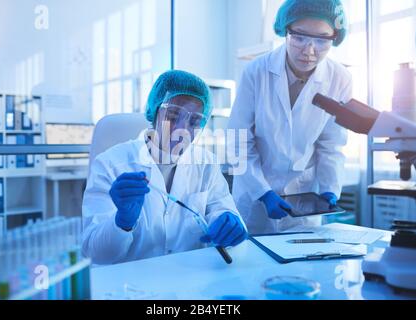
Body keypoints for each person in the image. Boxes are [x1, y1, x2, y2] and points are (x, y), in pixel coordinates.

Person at [82, 70, 248, 264]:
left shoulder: (206, 164)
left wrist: (229, 225)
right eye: (173, 115)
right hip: (131, 287)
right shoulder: (110, 164)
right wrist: (122, 222)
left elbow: (225, 213)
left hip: (191, 282)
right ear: (154, 113)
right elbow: (95, 254)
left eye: (194, 121)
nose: (181, 129)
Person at [228, 0, 352, 234]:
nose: (309, 50)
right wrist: (263, 192)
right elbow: (238, 140)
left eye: (322, 39)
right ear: (285, 31)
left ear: (334, 37)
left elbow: (331, 144)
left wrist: (329, 190)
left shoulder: (340, 78)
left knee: (301, 267)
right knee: (252, 264)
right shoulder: (257, 71)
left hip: (304, 202)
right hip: (254, 200)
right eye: (300, 37)